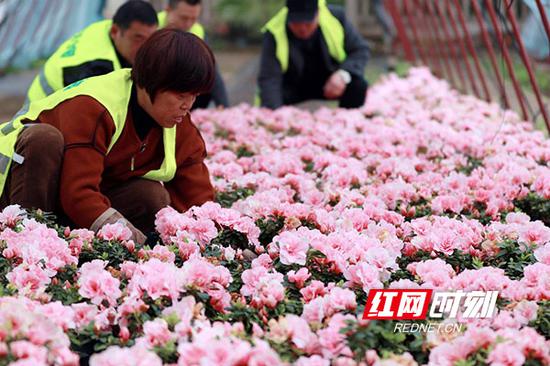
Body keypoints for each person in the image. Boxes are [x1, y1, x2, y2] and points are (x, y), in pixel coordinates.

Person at [0, 29, 216, 244]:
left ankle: (68, 248)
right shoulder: (95, 106)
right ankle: (25, 245)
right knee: (44, 139)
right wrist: (123, 232)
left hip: (62, 200)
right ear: (150, 82)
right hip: (14, 191)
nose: (188, 105)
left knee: (150, 196)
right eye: (180, 95)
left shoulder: (177, 123)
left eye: (194, 95)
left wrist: (225, 242)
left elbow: (197, 196)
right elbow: (77, 192)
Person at [25, 0, 158, 103]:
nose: (145, 47)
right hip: (37, 121)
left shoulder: (108, 29)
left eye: (151, 39)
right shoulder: (93, 67)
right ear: (115, 31)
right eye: (138, 38)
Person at [258, 0, 369, 109]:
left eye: (308, 23)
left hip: (329, 82)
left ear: (318, 13)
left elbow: (360, 49)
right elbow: (269, 78)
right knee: (271, 97)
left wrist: (343, 74)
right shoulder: (275, 30)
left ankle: (349, 120)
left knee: (357, 85)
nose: (302, 28)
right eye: (296, 23)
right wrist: (273, 116)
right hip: (292, 85)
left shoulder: (335, 18)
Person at [158, 0, 229, 109]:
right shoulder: (151, 26)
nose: (188, 24)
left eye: (194, 19)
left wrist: (223, 106)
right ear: (168, 10)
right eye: (184, 18)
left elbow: (212, 70)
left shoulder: (197, 31)